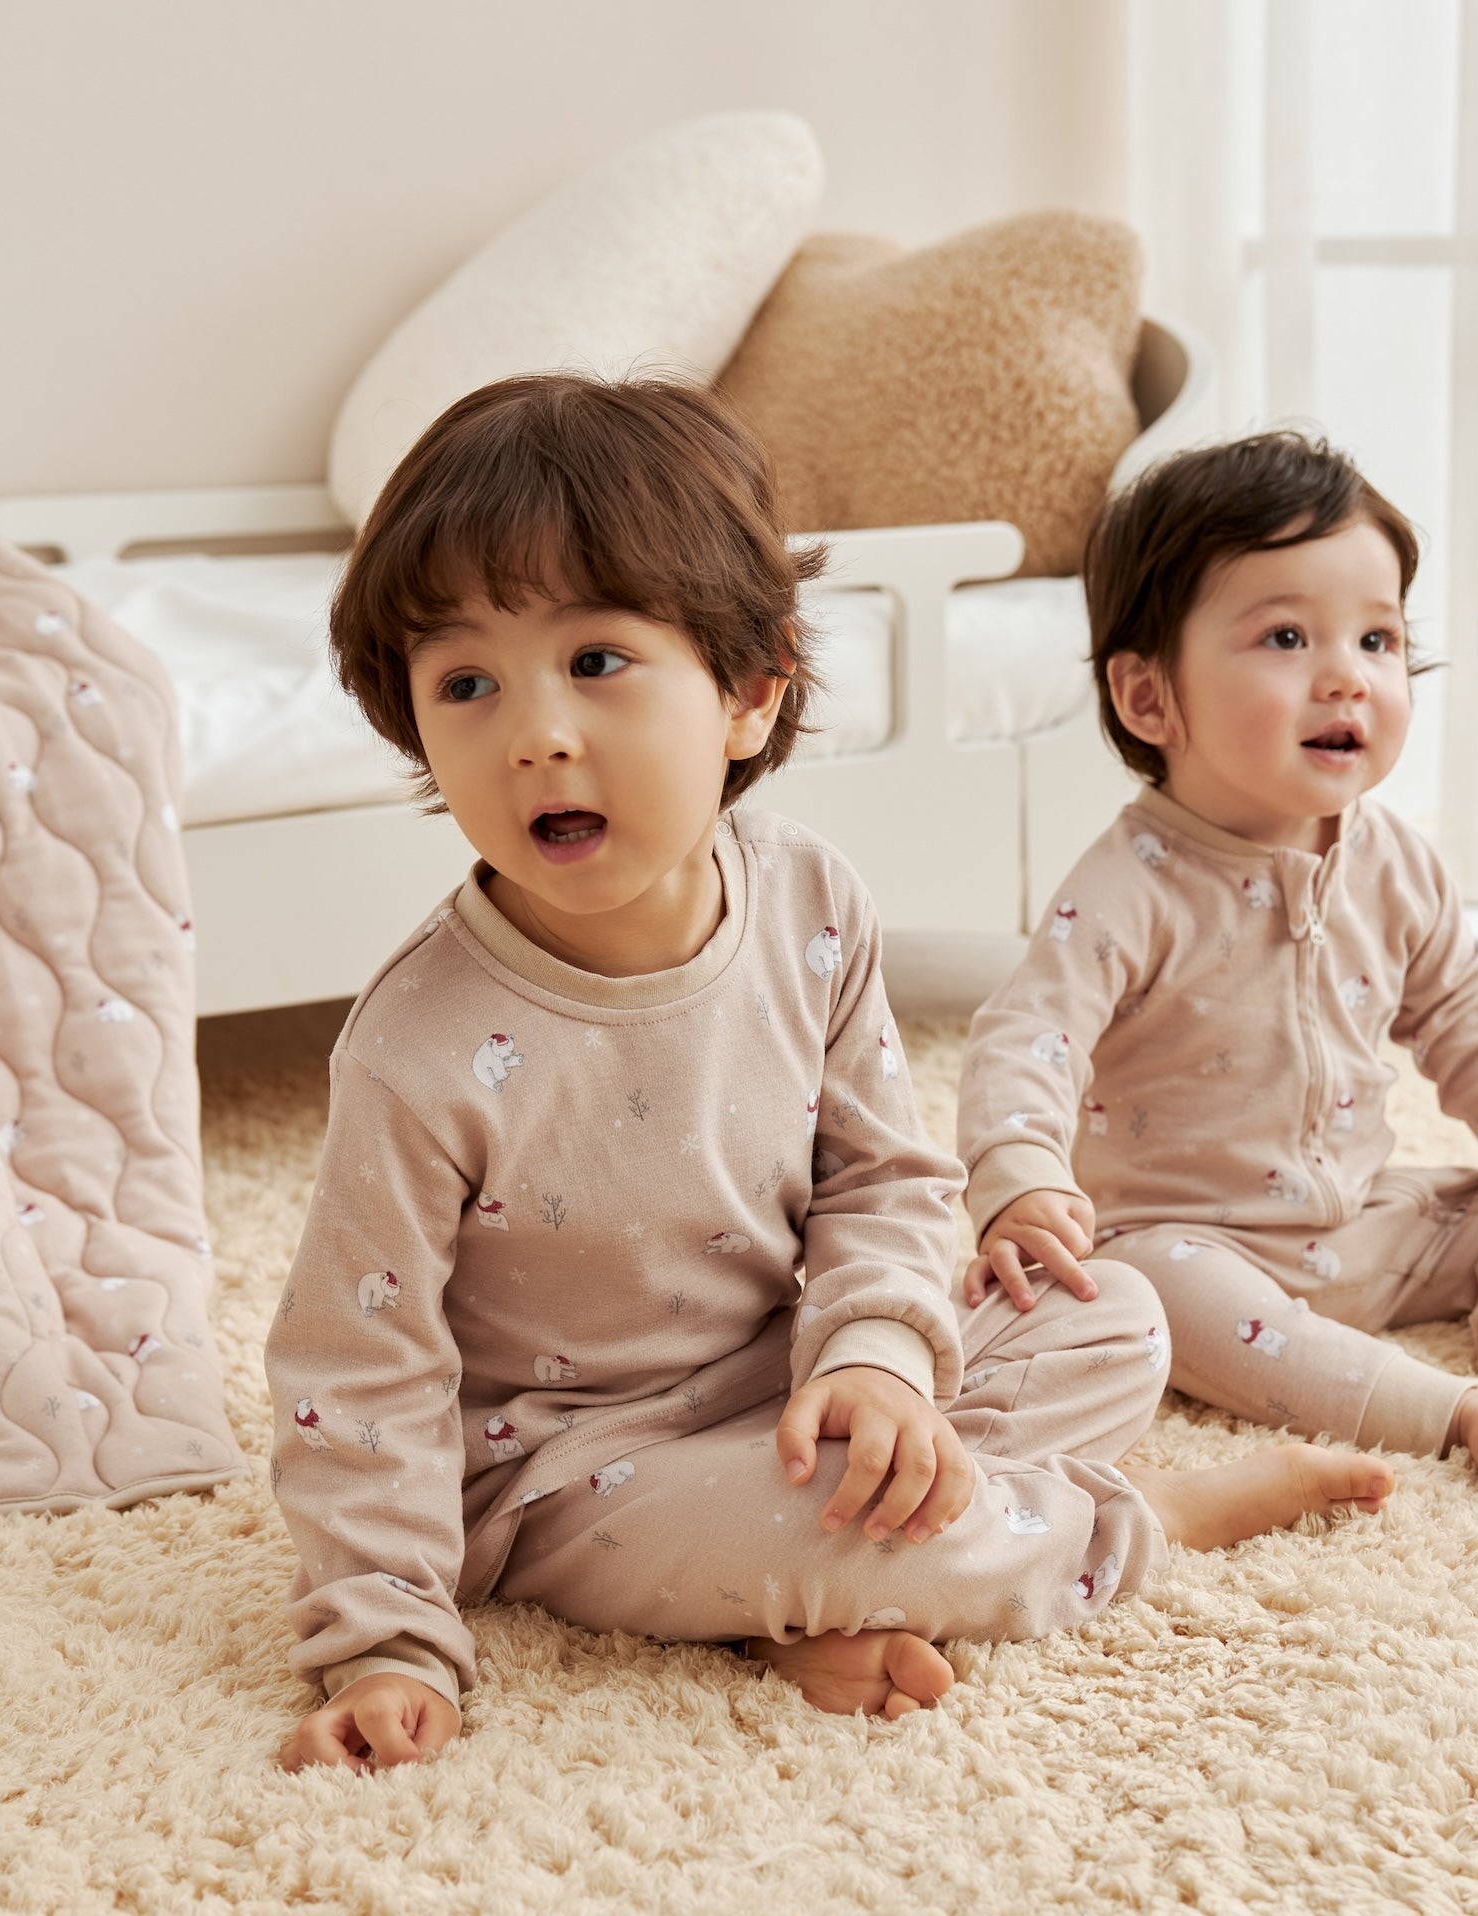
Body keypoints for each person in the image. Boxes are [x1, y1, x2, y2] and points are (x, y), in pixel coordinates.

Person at [267, 380, 1394, 1772]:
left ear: (750, 693)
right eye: (467, 683)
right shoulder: (417, 1043)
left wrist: (876, 1362)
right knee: (802, 1522)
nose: (534, 733)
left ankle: (810, 1580)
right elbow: (355, 1369)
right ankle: (1137, 1517)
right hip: (565, 1472)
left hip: (795, 1374)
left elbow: (883, 1178)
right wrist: (383, 1638)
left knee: (1114, 1319)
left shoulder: (810, 896)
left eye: (599, 660)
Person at [956, 432, 1478, 1502]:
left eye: (1378, 640)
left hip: (1359, 1224)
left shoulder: (1395, 860)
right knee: (1139, 1290)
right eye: (1286, 636)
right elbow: (1022, 1041)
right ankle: (1448, 1412)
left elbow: (1475, 1020)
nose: (1348, 679)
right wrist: (1024, 1183)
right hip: (1192, 1244)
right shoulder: (1130, 886)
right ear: (1149, 700)